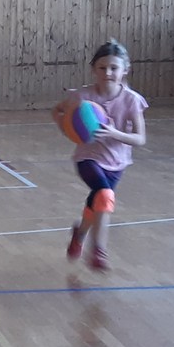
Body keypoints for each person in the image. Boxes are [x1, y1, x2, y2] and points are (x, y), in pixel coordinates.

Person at [54, 38, 148, 272]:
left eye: (114, 68)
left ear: (125, 70)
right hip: (88, 159)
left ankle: (79, 234)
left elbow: (140, 139)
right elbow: (57, 110)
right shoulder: (82, 97)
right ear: (93, 69)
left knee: (98, 202)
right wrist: (67, 129)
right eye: (102, 67)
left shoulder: (131, 100)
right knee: (105, 196)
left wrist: (115, 133)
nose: (108, 73)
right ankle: (99, 251)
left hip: (117, 162)